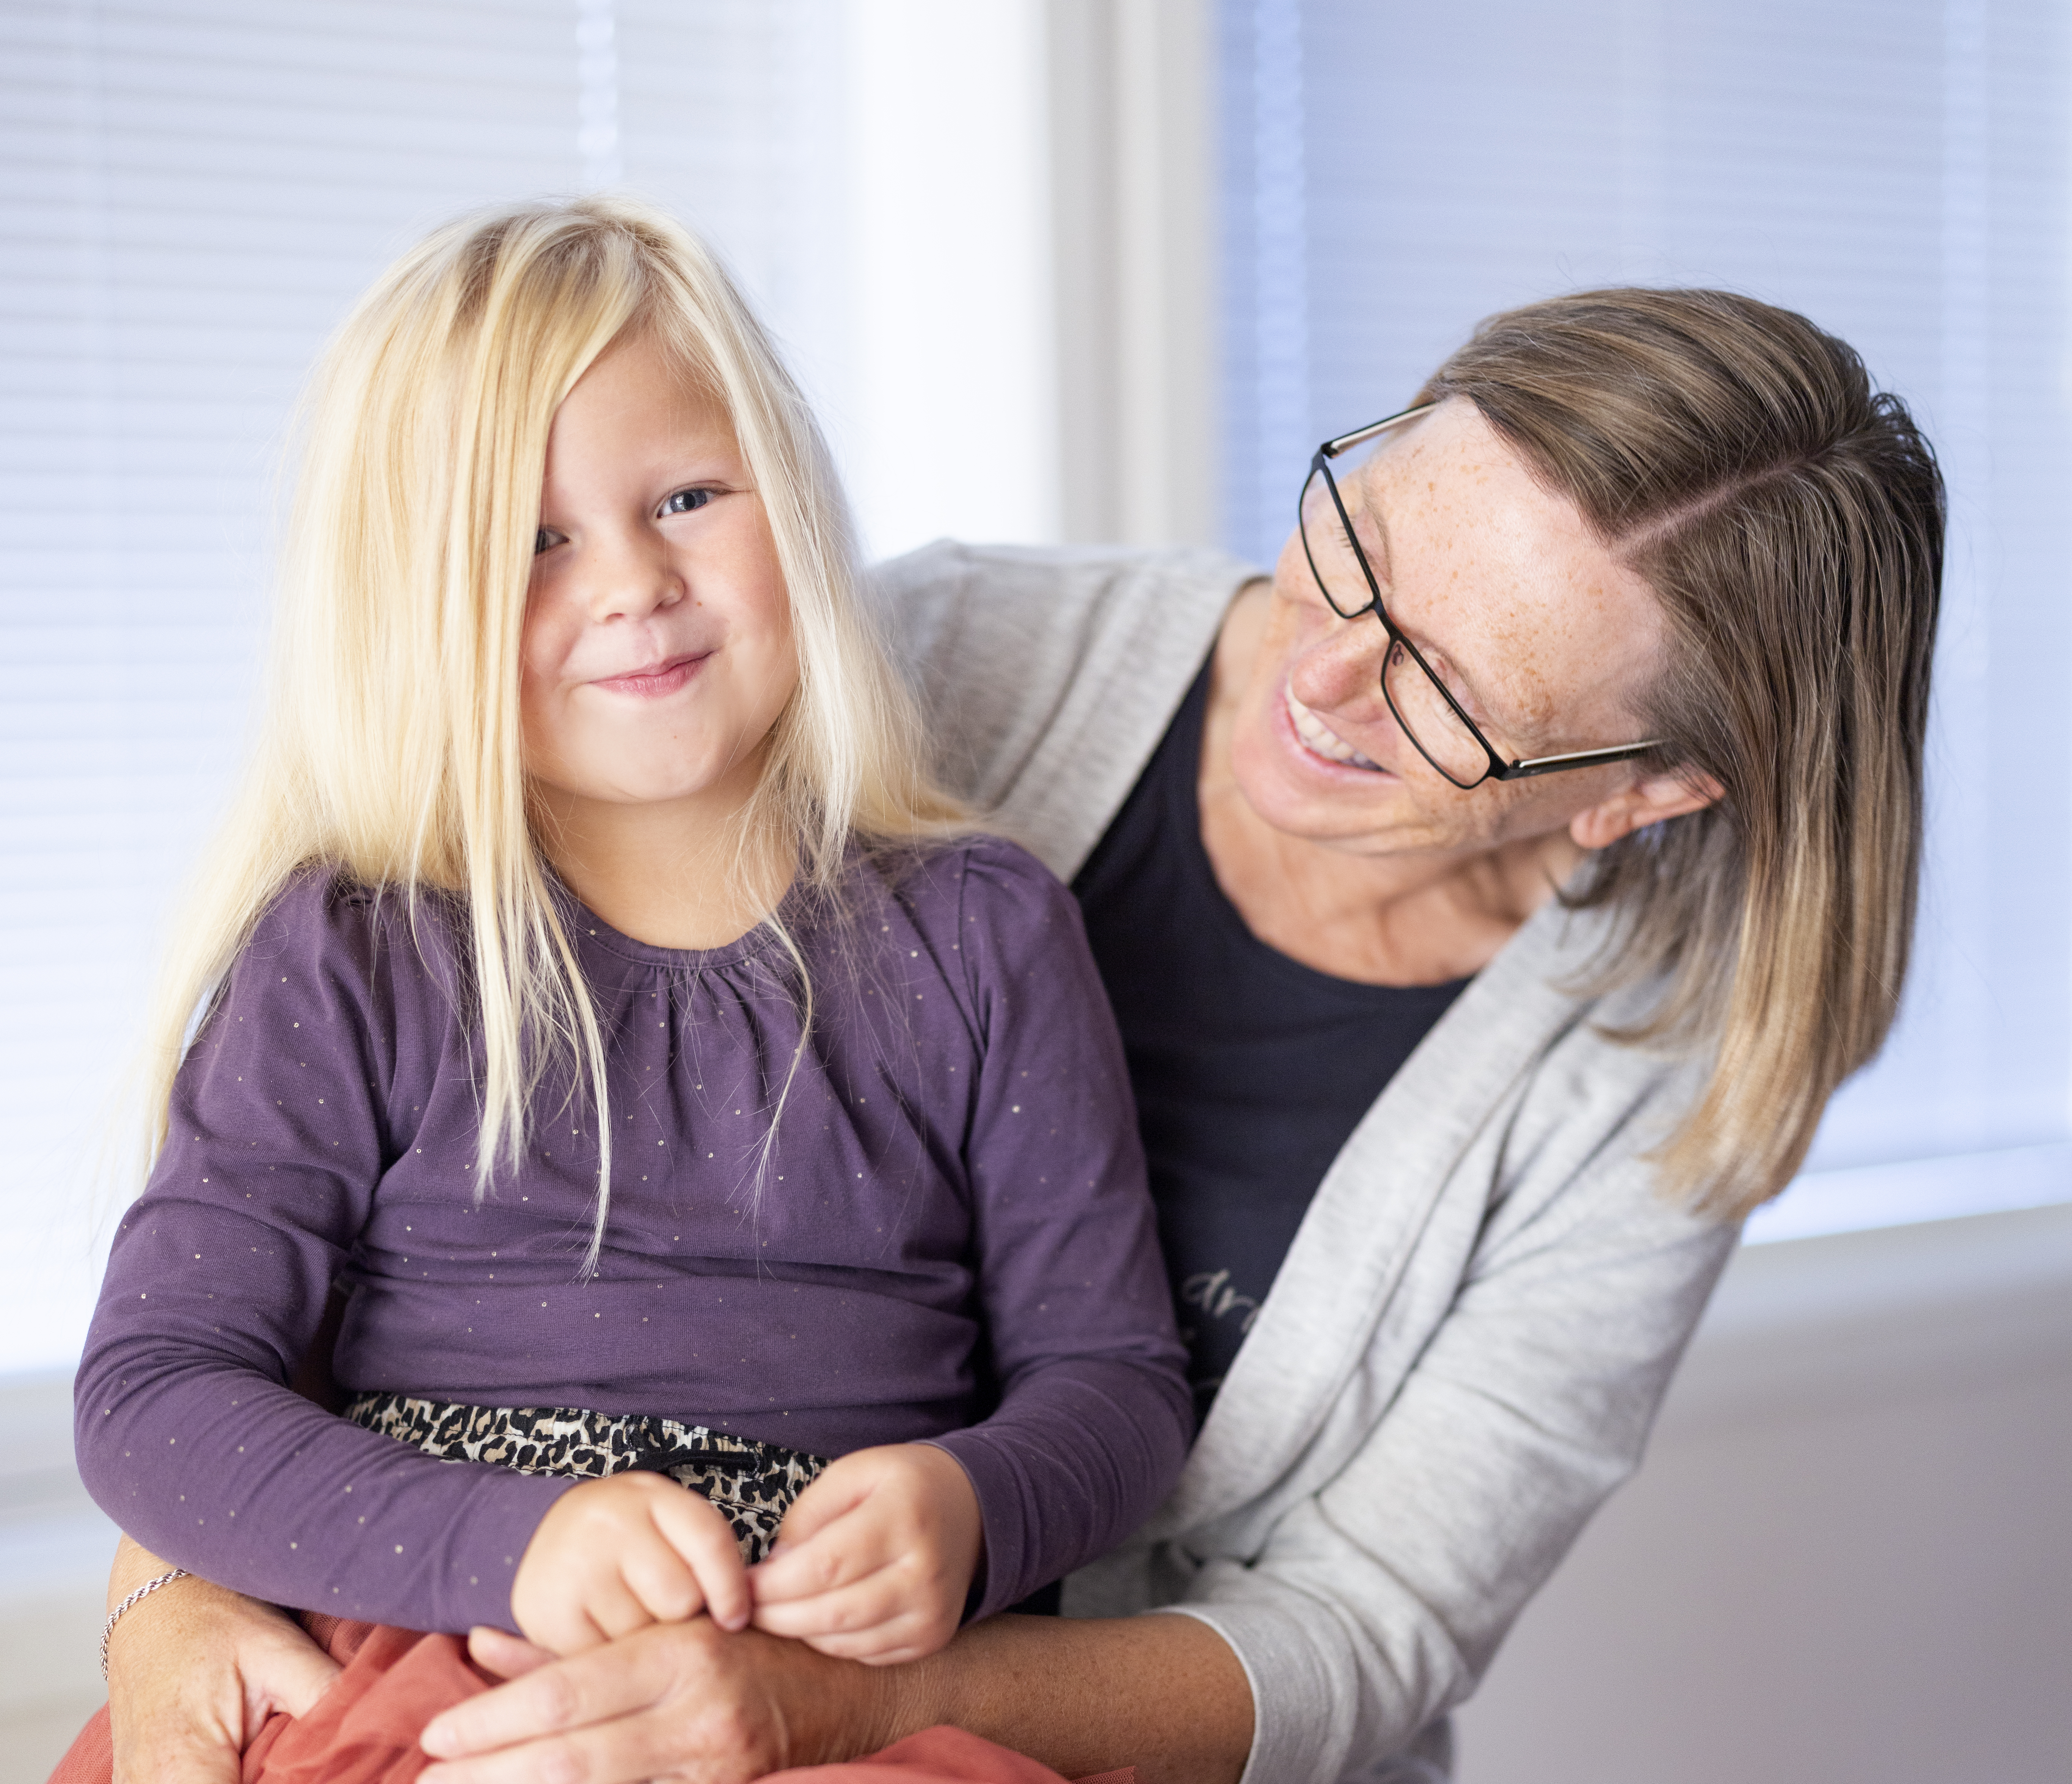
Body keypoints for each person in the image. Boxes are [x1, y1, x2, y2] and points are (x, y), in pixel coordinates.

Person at [94, 286, 1943, 1784]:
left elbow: (1359, 1631)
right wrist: (173, 1584)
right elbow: (243, 1274)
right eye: (1358, 543)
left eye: (1450, 691)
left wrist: (877, 1656)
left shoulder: (1651, 1087)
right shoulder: (914, 658)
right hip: (476, 1616)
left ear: (1640, 793)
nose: (1319, 675)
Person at [64, 198, 1191, 1781]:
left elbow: (1117, 1385)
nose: (632, 583)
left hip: (837, 1684)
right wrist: (508, 1544)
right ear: (410, 604)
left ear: (788, 499)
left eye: (684, 496)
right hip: (445, 1647)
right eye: (533, 541)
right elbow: (155, 1393)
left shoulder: (985, 927)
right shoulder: (357, 945)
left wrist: (978, 1503)